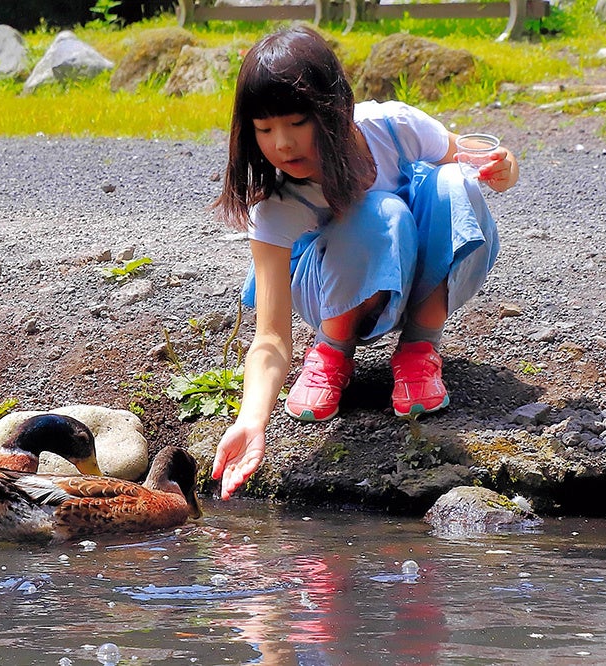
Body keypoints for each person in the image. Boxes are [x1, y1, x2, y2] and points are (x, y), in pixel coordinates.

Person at [210, 26, 519, 500]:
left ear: (334, 110)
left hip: (415, 277)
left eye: (296, 122)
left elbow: (474, 158)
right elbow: (270, 337)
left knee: (453, 182)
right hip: (331, 292)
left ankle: (420, 346)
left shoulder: (391, 126)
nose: (283, 144)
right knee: (380, 212)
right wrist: (251, 421)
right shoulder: (275, 206)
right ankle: (332, 350)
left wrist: (505, 168)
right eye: (265, 129)